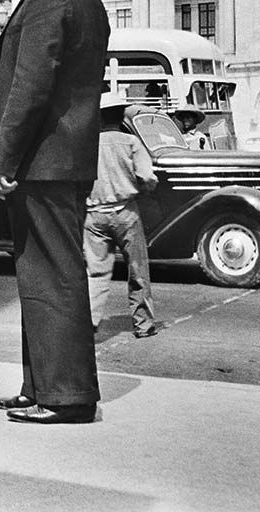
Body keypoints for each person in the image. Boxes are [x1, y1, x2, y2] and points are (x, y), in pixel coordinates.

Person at [0, 0, 109, 425]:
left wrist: (4, 158)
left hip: (42, 164)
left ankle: (66, 395)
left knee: (54, 276)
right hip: (61, 163)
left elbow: (30, 87)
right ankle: (42, 386)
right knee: (42, 275)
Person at [83, 94, 161, 338]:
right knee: (137, 270)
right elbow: (148, 177)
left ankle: (89, 324)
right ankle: (143, 325)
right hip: (126, 212)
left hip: (94, 214)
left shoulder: (87, 143)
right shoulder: (131, 142)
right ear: (121, 116)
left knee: (95, 273)